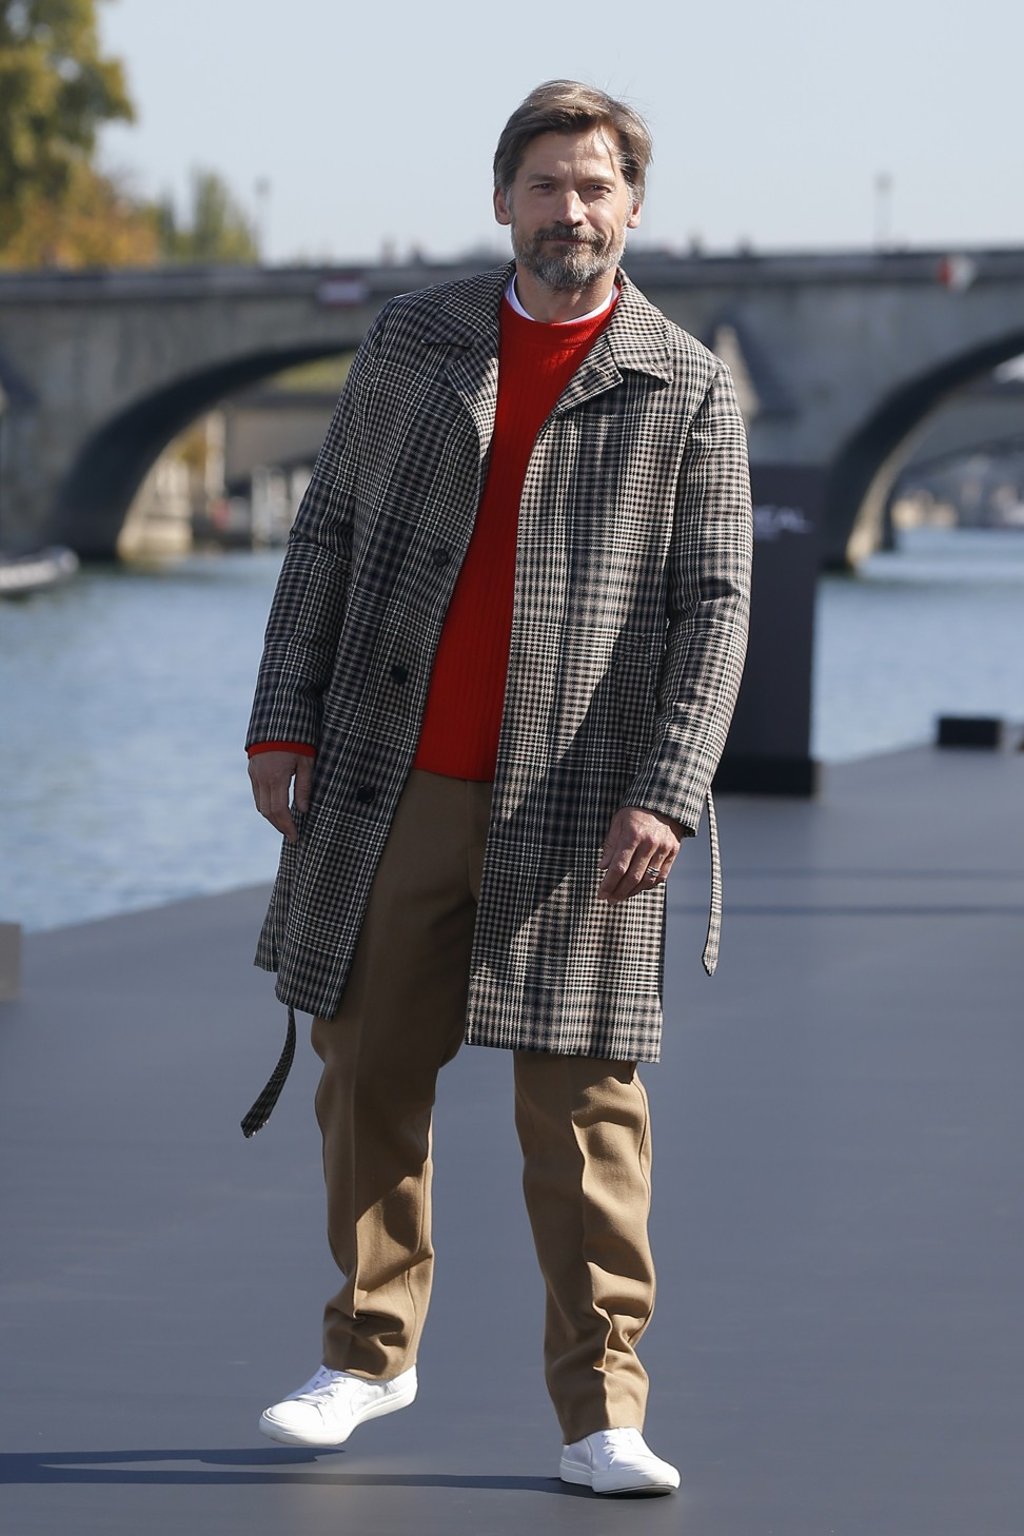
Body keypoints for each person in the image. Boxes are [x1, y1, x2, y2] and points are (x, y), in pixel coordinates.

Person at [243, 79, 752, 1498]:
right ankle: (366, 1355)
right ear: (503, 199)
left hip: (582, 810)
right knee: (365, 1074)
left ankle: (604, 1412)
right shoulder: (415, 342)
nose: (570, 209)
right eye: (546, 184)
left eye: (595, 186)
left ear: (632, 207)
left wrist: (669, 787)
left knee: (586, 1111)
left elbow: (717, 609)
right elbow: (327, 533)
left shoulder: (685, 382)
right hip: (393, 776)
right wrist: (282, 719)